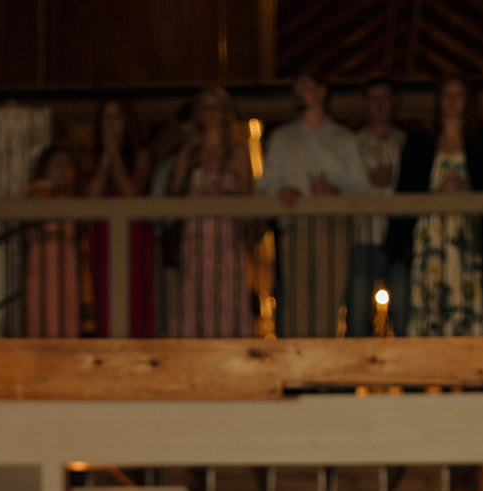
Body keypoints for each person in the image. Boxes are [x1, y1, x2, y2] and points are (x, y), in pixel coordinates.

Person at [256, 70, 370, 335]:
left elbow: (361, 188)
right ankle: (298, 370)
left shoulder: (344, 139)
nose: (299, 91)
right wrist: (282, 191)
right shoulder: (282, 139)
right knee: (295, 303)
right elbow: (265, 184)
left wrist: (335, 193)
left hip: (335, 230)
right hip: (297, 227)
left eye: (305, 85)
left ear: (322, 91)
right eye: (296, 86)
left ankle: (322, 371)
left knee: (329, 303)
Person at [394, 75, 483, 338]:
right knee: (428, 299)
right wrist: (435, 195)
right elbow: (404, 191)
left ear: (468, 101)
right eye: (447, 95)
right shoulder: (418, 141)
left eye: (458, 95)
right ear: (438, 101)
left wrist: (468, 190)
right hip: (429, 235)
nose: (452, 102)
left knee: (467, 295)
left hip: (468, 236)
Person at [169, 85, 254, 338]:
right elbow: (172, 196)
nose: (211, 113)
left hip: (227, 239)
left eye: (216, 106)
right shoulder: (188, 153)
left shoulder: (238, 151)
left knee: (227, 298)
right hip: (195, 239)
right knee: (193, 298)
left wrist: (224, 196)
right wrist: (190, 195)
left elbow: (249, 197)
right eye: (205, 107)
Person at [86, 98, 153, 337]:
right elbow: (91, 197)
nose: (111, 123)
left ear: (126, 122)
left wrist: (116, 157)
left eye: (117, 117)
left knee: (133, 291)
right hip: (103, 232)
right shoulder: (92, 157)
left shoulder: (141, 154)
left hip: (132, 232)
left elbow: (132, 193)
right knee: (105, 291)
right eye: (107, 117)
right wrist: (106, 159)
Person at [347, 75, 407, 337]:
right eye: (374, 99)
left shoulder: (408, 143)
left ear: (394, 102)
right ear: (366, 104)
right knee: (358, 317)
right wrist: (367, 183)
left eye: (385, 99)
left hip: (400, 241)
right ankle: (350, 376)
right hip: (363, 238)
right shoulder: (351, 145)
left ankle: (409, 377)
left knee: (404, 316)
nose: (380, 105)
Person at [23, 146, 82, 338]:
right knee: (43, 314)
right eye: (57, 164)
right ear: (45, 168)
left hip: (67, 264)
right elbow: (27, 229)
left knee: (68, 313)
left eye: (66, 165)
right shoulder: (37, 191)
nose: (63, 169)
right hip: (44, 263)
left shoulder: (74, 197)